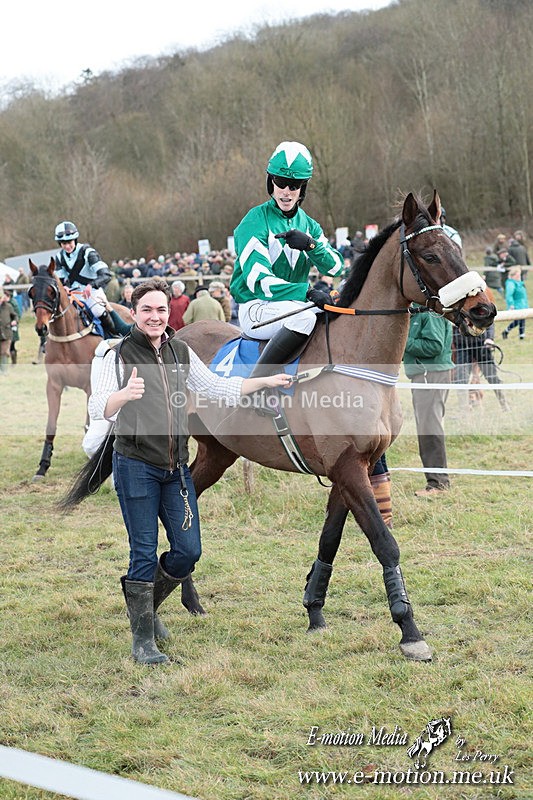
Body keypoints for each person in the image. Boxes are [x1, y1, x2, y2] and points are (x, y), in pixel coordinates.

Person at [88, 278, 293, 664]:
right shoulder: (117, 355)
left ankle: (146, 609)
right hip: (135, 467)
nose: (154, 316)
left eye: (161, 309)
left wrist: (265, 380)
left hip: (176, 468)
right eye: (147, 309)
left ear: (169, 313)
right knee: (144, 553)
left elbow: (217, 387)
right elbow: (97, 405)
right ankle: (143, 640)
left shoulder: (180, 351)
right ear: (134, 313)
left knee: (188, 551)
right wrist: (122, 396)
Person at [230, 141, 344, 376]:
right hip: (256, 307)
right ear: (270, 182)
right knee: (304, 318)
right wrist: (307, 292)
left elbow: (336, 267)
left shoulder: (309, 225)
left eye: (294, 185)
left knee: (336, 317)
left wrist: (311, 246)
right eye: (280, 183)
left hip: (293, 305)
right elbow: (260, 282)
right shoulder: (254, 221)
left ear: (303, 188)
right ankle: (256, 385)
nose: (286, 191)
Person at [403, 306, 454, 497]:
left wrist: (403, 340)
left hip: (431, 375)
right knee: (427, 427)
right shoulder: (418, 311)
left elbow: (434, 345)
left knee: (429, 428)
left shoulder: (430, 314)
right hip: (425, 374)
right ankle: (437, 481)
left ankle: (438, 484)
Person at [53, 220, 116, 336]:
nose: (67, 246)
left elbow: (106, 275)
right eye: (63, 243)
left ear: (75, 239)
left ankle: (114, 336)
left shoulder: (88, 252)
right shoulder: (59, 257)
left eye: (69, 242)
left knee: (98, 311)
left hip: (92, 293)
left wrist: (91, 285)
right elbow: (61, 280)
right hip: (74, 294)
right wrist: (64, 287)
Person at [502, 266, 529, 340]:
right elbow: (509, 295)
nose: (519, 276)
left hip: (523, 304)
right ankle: (506, 331)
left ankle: (521, 335)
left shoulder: (519, 283)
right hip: (516, 304)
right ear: (514, 275)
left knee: (523, 319)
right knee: (518, 320)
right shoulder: (511, 283)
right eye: (518, 274)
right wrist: (511, 304)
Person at [0, 288, 18, 374]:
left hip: (6, 333)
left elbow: (15, 316)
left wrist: (14, 321)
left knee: (4, 351)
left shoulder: (8, 306)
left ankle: (4, 371)